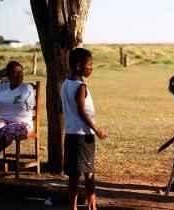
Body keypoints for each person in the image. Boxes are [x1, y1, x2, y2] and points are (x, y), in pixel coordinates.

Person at [61, 48, 107, 210]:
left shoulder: (66, 83)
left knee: (74, 175)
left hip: (70, 134)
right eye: (90, 64)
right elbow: (81, 111)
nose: (91, 68)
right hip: (83, 136)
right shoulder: (81, 86)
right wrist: (97, 129)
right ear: (79, 66)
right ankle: (91, 205)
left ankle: (74, 206)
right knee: (88, 173)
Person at [0, 61, 35, 161]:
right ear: (8, 75)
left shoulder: (27, 88)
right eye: (16, 72)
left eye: (21, 72)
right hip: (3, 120)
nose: (20, 75)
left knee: (7, 133)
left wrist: (5, 100)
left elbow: (23, 105)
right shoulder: (1, 87)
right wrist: (6, 99)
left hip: (22, 123)